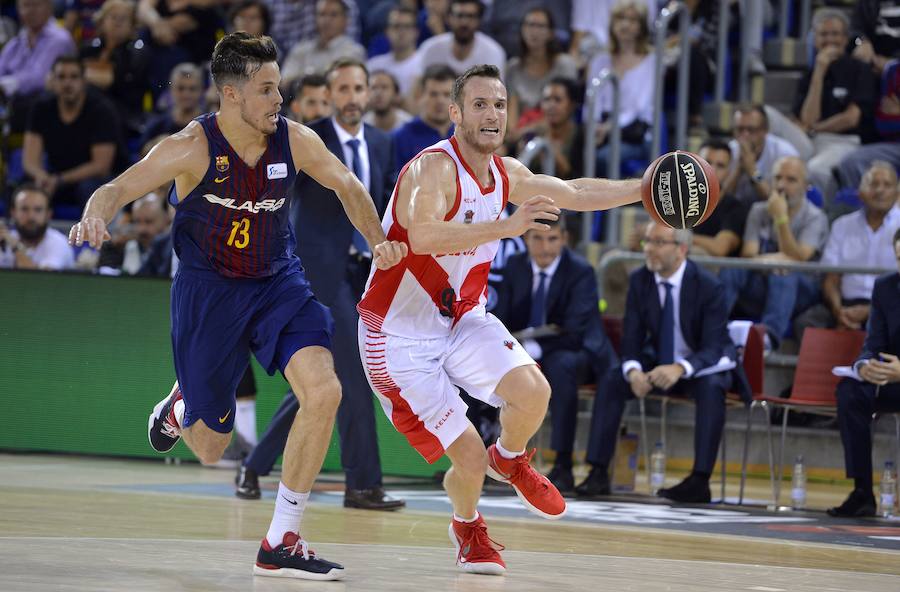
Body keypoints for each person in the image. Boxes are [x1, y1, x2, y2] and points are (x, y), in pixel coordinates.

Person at [68, 32, 406, 580]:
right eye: (267, 89)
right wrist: (95, 213)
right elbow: (115, 188)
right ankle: (182, 408)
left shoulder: (294, 141)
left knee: (325, 391)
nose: (281, 99)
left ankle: (282, 537)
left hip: (278, 283)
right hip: (210, 294)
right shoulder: (190, 147)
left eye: (280, 87)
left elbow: (348, 184)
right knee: (210, 446)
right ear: (230, 95)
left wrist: (376, 238)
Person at [356, 64, 642, 574]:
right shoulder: (433, 169)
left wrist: (642, 189)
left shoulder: (506, 173)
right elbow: (421, 235)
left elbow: (573, 193)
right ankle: (467, 527)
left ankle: (509, 457)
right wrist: (508, 225)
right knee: (466, 457)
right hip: (397, 335)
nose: (492, 114)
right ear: (456, 114)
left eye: (501, 105)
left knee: (535, 392)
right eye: (481, 105)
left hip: (461, 317)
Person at [236, 58, 404, 511]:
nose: (351, 97)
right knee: (352, 374)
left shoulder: (385, 143)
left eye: (359, 88)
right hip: (316, 274)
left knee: (318, 386)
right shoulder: (308, 139)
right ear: (330, 95)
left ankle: (253, 466)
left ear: (369, 94)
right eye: (342, 89)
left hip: (365, 274)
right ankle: (363, 484)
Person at [576, 222, 742, 503]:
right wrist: (633, 370)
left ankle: (699, 480)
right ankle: (599, 471)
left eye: (658, 243)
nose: (649, 249)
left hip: (699, 366)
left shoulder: (708, 285)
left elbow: (715, 346)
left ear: (681, 249)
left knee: (713, 386)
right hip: (658, 363)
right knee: (614, 378)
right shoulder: (641, 280)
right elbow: (632, 338)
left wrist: (680, 368)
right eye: (647, 242)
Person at [492, 216, 617, 493]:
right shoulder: (514, 267)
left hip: (578, 351)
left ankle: (563, 464)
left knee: (560, 368)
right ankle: (479, 452)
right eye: (537, 238)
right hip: (529, 351)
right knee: (481, 361)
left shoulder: (580, 271)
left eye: (552, 239)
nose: (545, 247)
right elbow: (502, 319)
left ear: (564, 239)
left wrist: (532, 351)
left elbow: (573, 331)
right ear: (525, 239)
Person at [766, 8, 878, 207]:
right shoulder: (810, 74)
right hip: (811, 141)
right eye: (823, 34)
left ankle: (818, 220)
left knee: (815, 170)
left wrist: (814, 128)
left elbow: (851, 118)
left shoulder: (860, 69)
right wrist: (819, 71)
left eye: (835, 34)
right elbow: (809, 118)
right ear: (815, 39)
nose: (829, 39)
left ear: (845, 38)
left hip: (843, 142)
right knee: (767, 115)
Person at [718, 157, 829, 351]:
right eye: (777, 178)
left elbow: (799, 258)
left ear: (805, 185)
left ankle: (768, 337)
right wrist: (774, 259)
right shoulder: (758, 210)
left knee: (784, 271)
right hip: (762, 284)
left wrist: (781, 218)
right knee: (733, 268)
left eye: (791, 180)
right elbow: (748, 256)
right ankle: (714, 327)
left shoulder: (815, 217)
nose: (781, 185)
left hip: (800, 292)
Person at [828, 227, 900, 518]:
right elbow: (873, 343)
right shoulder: (885, 287)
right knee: (850, 391)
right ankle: (861, 492)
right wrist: (864, 366)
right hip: (890, 378)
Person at [794, 162, 900, 339]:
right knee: (806, 322)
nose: (880, 190)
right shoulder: (842, 225)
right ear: (860, 191)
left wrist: (869, 311)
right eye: (873, 184)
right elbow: (830, 278)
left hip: (891, 304)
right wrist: (839, 311)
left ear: (897, 193)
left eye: (887, 185)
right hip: (844, 303)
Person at [23, 55, 123, 216]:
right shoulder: (41, 108)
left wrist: (60, 180)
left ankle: (94, 238)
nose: (67, 83)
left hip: (93, 177)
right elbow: (29, 160)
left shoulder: (102, 110)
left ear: (84, 81)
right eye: (61, 77)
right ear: (53, 81)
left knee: (89, 189)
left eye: (74, 77)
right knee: (23, 187)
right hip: (56, 177)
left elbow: (101, 166)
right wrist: (41, 177)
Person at [586, 0, 655, 177]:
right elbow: (592, 103)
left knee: (603, 157)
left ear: (641, 27)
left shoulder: (651, 62)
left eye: (632, 20)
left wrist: (608, 128)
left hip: (635, 134)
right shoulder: (600, 60)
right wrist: (595, 127)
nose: (625, 25)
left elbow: (639, 108)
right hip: (602, 129)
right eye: (621, 18)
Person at [0, 0, 76, 132]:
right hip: (13, 107)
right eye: (25, 6)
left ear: (49, 7)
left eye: (36, 5)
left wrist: (6, 84)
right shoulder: (16, 42)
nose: (30, 11)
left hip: (47, 111)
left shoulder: (60, 39)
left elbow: (40, 78)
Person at [504, 7, 577, 143]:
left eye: (541, 26)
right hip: (521, 134)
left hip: (557, 132)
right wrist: (515, 133)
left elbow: (567, 110)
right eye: (530, 25)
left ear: (550, 33)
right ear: (522, 30)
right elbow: (511, 107)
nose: (534, 31)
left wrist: (529, 130)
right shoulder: (513, 67)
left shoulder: (565, 64)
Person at [79, 0, 151, 136]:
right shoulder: (89, 49)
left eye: (123, 18)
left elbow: (111, 80)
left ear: (132, 25)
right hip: (88, 111)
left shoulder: (137, 52)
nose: (118, 22)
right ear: (102, 21)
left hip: (124, 115)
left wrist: (81, 76)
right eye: (113, 17)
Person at [723, 104, 799, 205]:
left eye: (751, 130)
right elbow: (722, 200)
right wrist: (739, 168)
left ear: (765, 130)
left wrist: (753, 172)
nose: (745, 135)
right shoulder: (730, 150)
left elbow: (779, 203)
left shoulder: (784, 153)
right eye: (740, 129)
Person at [280, 0, 366, 89]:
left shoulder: (354, 52)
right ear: (315, 18)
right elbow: (284, 83)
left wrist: (305, 77)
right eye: (322, 14)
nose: (327, 20)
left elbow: (344, 85)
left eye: (333, 15)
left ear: (345, 20)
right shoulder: (301, 49)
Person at [416, 0, 506, 78]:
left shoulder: (493, 52)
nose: (464, 22)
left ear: (479, 20)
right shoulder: (430, 49)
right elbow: (419, 89)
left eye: (470, 16)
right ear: (448, 18)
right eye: (459, 15)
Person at [692, 139, 749, 258]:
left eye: (720, 165)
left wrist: (681, 237)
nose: (711, 170)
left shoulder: (735, 208)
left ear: (728, 171)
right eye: (707, 162)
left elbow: (720, 248)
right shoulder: (676, 199)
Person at [392, 64, 455, 168]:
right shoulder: (401, 137)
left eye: (447, 94)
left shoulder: (466, 135)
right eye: (433, 94)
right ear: (421, 96)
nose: (440, 101)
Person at [0, 185, 75, 270]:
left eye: (38, 210)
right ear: (13, 213)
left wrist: (15, 247)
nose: (31, 216)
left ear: (48, 214)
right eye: (24, 209)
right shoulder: (4, 238)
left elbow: (40, 280)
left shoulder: (59, 243)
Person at [96, 192, 169, 274]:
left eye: (149, 222)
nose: (142, 229)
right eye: (137, 222)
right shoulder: (124, 244)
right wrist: (114, 247)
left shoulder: (173, 250)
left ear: (166, 219)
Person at [138, 63, 205, 151]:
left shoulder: (211, 124)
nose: (186, 94)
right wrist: (156, 144)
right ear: (171, 90)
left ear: (201, 90)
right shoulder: (157, 125)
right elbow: (141, 154)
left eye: (192, 89)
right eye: (181, 88)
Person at [367, 6, 421, 99]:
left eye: (407, 26)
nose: (401, 31)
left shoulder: (423, 64)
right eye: (396, 26)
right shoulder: (373, 65)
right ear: (387, 31)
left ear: (416, 32)